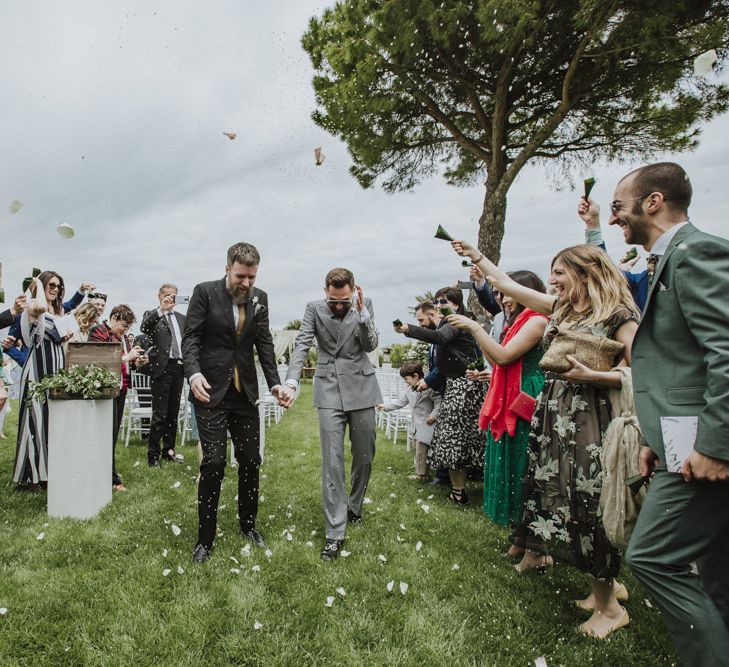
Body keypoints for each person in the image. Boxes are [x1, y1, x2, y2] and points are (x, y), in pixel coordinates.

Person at [453, 240, 639, 639]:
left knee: (590, 505)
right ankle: (599, 591)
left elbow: (640, 370)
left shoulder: (619, 316)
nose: (552, 280)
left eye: (560, 273)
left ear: (586, 274)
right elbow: (506, 283)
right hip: (556, 416)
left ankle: (610, 609)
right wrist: (476, 256)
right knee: (566, 500)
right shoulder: (563, 310)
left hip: (593, 420)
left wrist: (595, 377)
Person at [606, 163, 729, 666]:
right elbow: (684, 362)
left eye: (619, 206)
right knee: (717, 568)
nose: (615, 219)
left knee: (651, 557)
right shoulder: (665, 259)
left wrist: (716, 446)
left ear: (652, 201)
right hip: (682, 440)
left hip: (706, 448)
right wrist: (657, 438)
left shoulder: (696, 252)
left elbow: (724, 351)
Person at [183, 242, 285, 564]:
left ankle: (248, 525)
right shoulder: (204, 292)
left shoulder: (260, 299)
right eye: (241, 276)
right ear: (227, 268)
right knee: (212, 463)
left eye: (252, 278)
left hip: (245, 395)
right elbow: (191, 338)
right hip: (209, 390)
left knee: (251, 460)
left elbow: (265, 343)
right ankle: (205, 539)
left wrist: (276, 384)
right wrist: (193, 373)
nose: (246, 283)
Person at [280, 268, 381, 561]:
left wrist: (361, 314)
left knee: (365, 455)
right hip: (329, 388)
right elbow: (302, 344)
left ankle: (354, 504)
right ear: (326, 291)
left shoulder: (364, 305)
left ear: (353, 291)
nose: (338, 306)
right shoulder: (313, 309)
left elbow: (370, 344)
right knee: (332, 461)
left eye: (344, 301)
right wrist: (292, 381)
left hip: (361, 385)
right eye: (334, 301)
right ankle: (335, 532)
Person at [447, 271, 548, 553]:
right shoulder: (515, 324)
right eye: (500, 294)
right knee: (512, 463)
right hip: (509, 393)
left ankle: (537, 550)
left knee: (525, 466)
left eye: (505, 293)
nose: (501, 299)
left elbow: (504, 357)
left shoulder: (538, 320)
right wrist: (487, 370)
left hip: (527, 395)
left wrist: (475, 327)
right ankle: (521, 537)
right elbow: (496, 359)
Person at [395, 286, 485, 505]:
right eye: (436, 304)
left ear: (454, 304)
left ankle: (459, 487)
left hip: (465, 386)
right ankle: (456, 486)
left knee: (457, 437)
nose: (438, 308)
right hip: (455, 384)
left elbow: (438, 338)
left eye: (442, 303)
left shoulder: (455, 321)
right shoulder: (451, 322)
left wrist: (409, 329)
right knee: (453, 437)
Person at [13, 273, 71, 487]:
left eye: (59, 285)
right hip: (37, 367)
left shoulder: (61, 312)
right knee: (35, 418)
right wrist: (36, 284)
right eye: (51, 284)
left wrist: (66, 337)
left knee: (52, 420)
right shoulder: (33, 306)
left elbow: (62, 341)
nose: (55, 289)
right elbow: (40, 310)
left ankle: (49, 471)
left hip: (56, 366)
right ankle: (31, 475)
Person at [89, 304, 143, 491]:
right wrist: (127, 357)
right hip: (105, 389)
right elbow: (96, 360)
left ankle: (109, 474)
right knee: (105, 434)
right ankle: (109, 477)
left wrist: (136, 361)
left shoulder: (122, 338)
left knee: (112, 434)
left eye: (127, 327)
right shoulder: (98, 332)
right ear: (112, 318)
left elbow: (127, 365)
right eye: (123, 325)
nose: (125, 330)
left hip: (121, 389)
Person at [141, 284, 187, 467]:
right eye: (167, 295)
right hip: (162, 369)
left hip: (179, 368)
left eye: (173, 296)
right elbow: (144, 327)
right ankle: (153, 456)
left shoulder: (182, 318)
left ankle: (169, 451)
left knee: (173, 414)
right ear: (159, 296)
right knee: (159, 415)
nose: (170, 299)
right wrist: (162, 309)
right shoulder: (152, 315)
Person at [377, 361, 441, 481]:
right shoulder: (410, 390)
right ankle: (424, 472)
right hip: (416, 424)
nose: (405, 382)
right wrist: (385, 407)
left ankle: (421, 475)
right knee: (417, 449)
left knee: (422, 449)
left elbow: (438, 402)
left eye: (406, 379)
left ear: (416, 376)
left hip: (427, 423)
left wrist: (434, 415)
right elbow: (400, 402)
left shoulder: (429, 388)